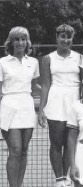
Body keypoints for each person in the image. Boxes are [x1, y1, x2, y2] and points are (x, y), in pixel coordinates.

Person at [38, 24, 81, 187]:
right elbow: (46, 85)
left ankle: (67, 177)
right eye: (62, 36)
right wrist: (41, 109)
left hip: (74, 102)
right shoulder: (48, 58)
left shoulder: (79, 58)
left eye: (68, 37)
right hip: (55, 102)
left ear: (72, 39)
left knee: (71, 142)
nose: (65, 40)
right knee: (56, 143)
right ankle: (59, 179)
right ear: (56, 38)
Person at [0, 26, 40, 187]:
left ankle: (19, 184)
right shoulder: (2, 62)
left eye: (23, 39)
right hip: (9, 107)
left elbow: (36, 86)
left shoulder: (34, 62)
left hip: (27, 108)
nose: (20, 42)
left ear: (27, 42)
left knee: (23, 151)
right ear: (11, 42)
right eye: (17, 39)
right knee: (15, 150)